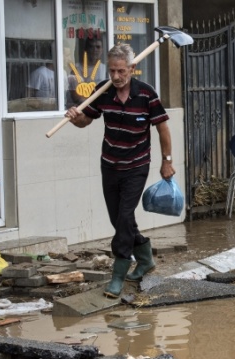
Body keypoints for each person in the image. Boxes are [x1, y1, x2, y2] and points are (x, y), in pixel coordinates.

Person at [65, 43, 174, 298]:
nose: (115, 76)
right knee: (118, 219)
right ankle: (146, 258)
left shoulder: (147, 94)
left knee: (125, 216)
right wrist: (74, 117)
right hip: (110, 165)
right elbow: (85, 120)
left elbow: (163, 128)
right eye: (112, 70)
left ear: (132, 69)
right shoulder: (102, 91)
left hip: (137, 165)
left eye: (121, 71)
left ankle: (118, 273)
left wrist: (167, 161)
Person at [68, 37, 107, 104]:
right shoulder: (76, 69)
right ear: (86, 50)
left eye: (98, 47)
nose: (95, 50)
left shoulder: (105, 69)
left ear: (102, 50)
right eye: (91, 47)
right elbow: (76, 96)